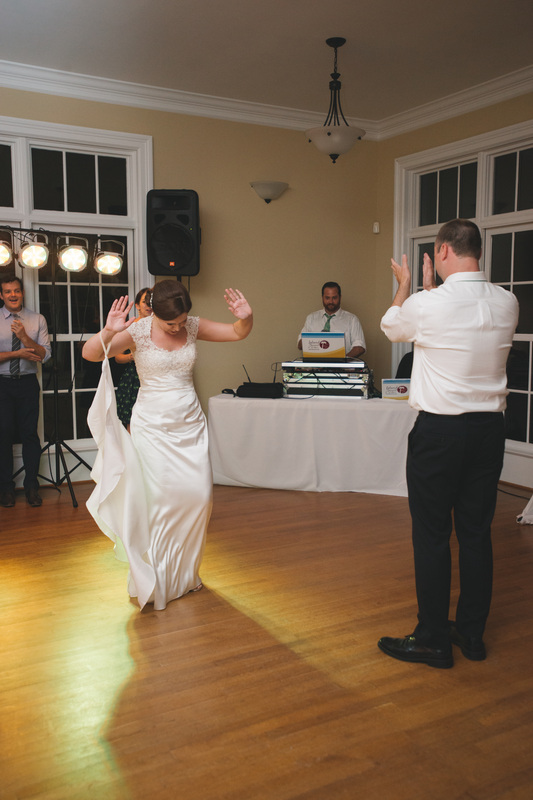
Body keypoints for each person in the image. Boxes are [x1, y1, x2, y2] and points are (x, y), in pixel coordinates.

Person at [378, 219, 519, 668]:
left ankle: (433, 639)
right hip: (489, 433)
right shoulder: (508, 302)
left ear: (441, 252)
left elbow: (391, 326)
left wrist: (405, 288)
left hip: (440, 434)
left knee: (432, 535)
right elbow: (458, 331)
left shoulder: (426, 304)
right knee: (476, 533)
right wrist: (427, 293)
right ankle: (471, 636)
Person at [82, 280, 253, 610]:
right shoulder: (138, 330)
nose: (177, 328)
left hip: (190, 424)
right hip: (152, 427)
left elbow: (237, 332)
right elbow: (91, 354)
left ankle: (186, 575)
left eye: (181, 321)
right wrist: (109, 331)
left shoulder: (192, 326)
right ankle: (158, 579)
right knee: (161, 503)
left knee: (199, 499)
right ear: (154, 313)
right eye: (170, 323)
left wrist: (246, 317)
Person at [0, 274, 51, 507]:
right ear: (1, 295)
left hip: (28, 383)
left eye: (16, 290)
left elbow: (44, 355)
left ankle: (32, 487)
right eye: (8, 291)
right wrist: (17, 353)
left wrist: (24, 338)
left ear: (22, 293)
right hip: (2, 384)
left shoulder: (37, 319)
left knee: (30, 435)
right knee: (3, 435)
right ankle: (6, 489)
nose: (13, 295)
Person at [114, 287, 152, 430]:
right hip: (135, 377)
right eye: (144, 302)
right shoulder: (130, 326)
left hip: (156, 375)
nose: (148, 305)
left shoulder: (162, 327)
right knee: (132, 418)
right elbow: (117, 357)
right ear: (137, 305)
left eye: (151, 302)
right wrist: (132, 356)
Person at [297, 282, 366, 358]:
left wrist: (342, 361)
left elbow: (359, 347)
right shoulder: (311, 318)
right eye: (327, 298)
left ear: (340, 297)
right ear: (322, 297)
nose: (331, 301)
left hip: (343, 365)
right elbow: (300, 345)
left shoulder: (352, 319)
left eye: (334, 298)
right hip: (316, 364)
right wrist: (313, 341)